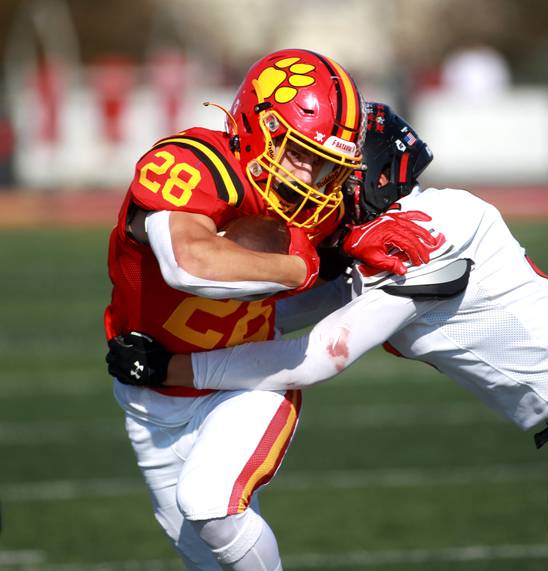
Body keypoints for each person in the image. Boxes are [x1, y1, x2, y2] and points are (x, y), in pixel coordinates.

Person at [108, 103, 548, 571]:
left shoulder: (439, 225)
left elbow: (319, 355)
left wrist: (177, 366)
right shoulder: (389, 240)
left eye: (339, 175)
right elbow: (299, 307)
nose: (325, 191)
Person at [104, 53, 439, 571]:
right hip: (152, 397)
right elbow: (188, 264)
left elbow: (393, 194)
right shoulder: (194, 162)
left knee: (211, 505)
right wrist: (300, 266)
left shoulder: (325, 200)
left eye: (326, 162)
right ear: (258, 128)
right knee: (210, 560)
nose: (313, 174)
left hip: (248, 377)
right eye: (299, 152)